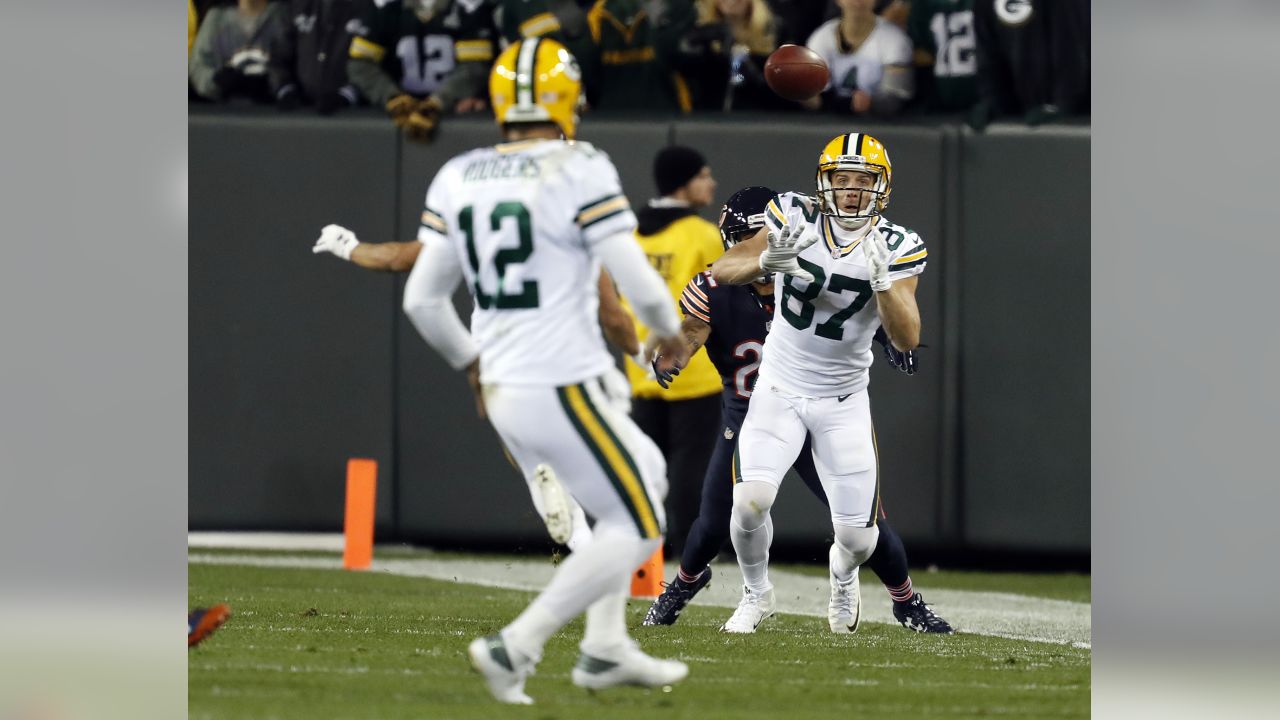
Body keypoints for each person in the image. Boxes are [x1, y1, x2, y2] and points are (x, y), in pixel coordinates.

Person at [331, 37, 691, 703]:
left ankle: (606, 644)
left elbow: (422, 299)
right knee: (640, 523)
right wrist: (667, 336)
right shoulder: (579, 165)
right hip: (560, 379)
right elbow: (637, 285)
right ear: (567, 99)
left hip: (506, 380)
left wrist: (470, 366)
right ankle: (518, 643)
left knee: (646, 476)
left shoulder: (459, 173)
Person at [640, 186, 951, 633]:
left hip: (823, 404)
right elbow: (692, 327)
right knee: (718, 516)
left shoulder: (814, 269)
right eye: (758, 238)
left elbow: (853, 313)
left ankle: (905, 600)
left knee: (866, 526)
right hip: (755, 409)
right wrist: (675, 351)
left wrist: (889, 339)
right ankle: (687, 586)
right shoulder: (722, 284)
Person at [707, 132, 927, 634]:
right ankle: (756, 593)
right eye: (841, 178)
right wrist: (766, 262)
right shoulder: (792, 214)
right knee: (750, 500)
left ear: (882, 186)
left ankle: (843, 575)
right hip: (779, 388)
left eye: (863, 180)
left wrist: (883, 285)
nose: (851, 190)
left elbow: (907, 336)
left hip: (843, 399)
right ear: (823, 182)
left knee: (858, 539)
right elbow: (723, 267)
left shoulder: (898, 244)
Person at [623, 145, 724, 558]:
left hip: (639, 369)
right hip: (692, 370)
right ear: (684, 183)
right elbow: (723, 296)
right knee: (692, 468)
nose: (711, 183)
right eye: (703, 175)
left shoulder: (629, 233)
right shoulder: (702, 235)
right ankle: (690, 550)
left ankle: (641, 546)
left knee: (646, 465)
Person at [347, 0, 500, 142]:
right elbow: (360, 64)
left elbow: (475, 66)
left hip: (454, 117)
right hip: (395, 119)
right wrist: (392, 97)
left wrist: (439, 102)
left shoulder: (468, 8)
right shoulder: (387, 8)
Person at [803, 0, 913, 116]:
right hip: (828, 123)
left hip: (879, 124)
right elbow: (812, 96)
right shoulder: (821, 37)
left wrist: (871, 103)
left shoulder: (894, 39)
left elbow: (895, 97)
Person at [268, 0, 364, 114]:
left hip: (353, 115)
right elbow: (279, 58)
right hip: (299, 113)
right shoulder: (294, 6)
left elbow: (371, 62)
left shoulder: (365, 7)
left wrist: (347, 95)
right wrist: (285, 89)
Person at [189, 0, 291, 103]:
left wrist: (279, 83)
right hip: (225, 112)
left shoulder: (285, 16)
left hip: (277, 113)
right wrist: (216, 81)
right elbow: (198, 67)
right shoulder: (216, 19)